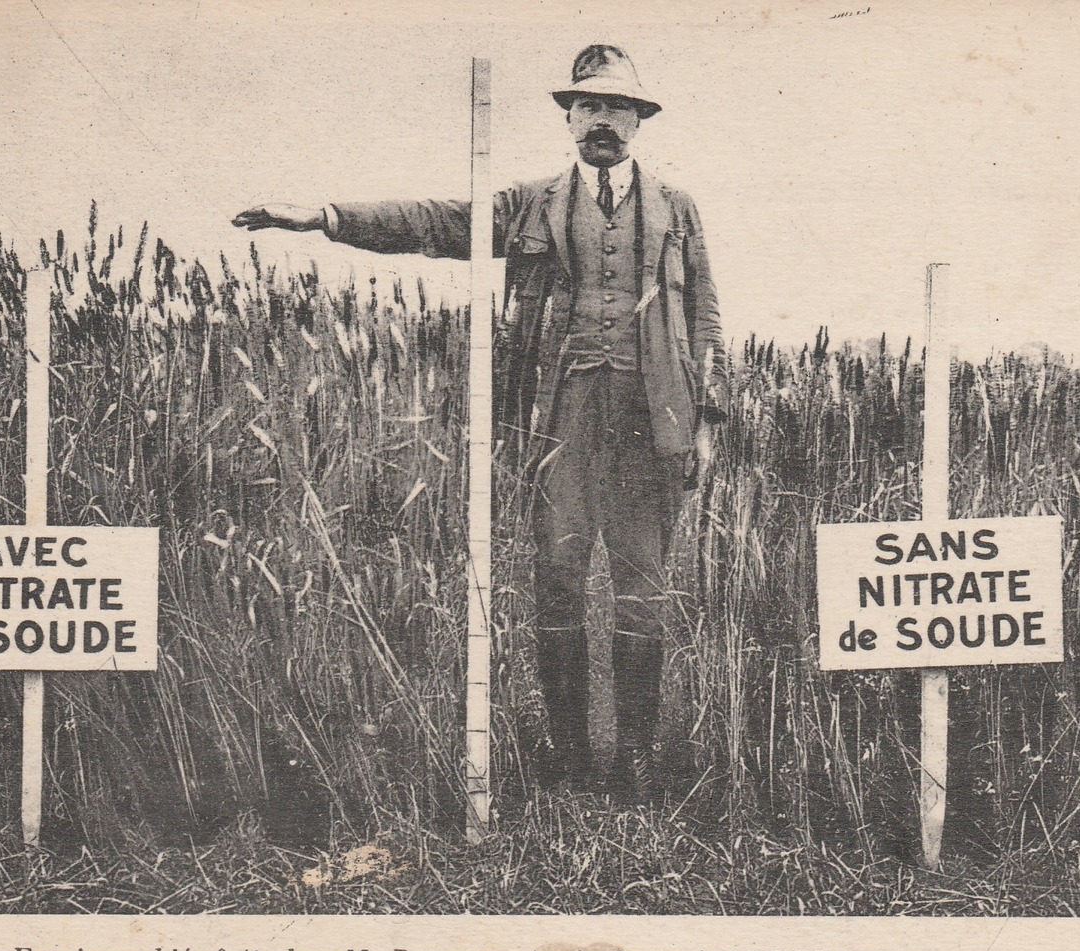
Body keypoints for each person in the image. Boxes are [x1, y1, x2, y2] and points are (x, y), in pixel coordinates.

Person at [234, 44, 729, 803]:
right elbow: (434, 221)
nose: (603, 121)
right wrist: (326, 218)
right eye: (589, 106)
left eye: (618, 108)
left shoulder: (678, 209)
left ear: (639, 121)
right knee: (557, 584)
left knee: (641, 588)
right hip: (554, 423)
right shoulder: (528, 204)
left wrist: (704, 423)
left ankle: (631, 760)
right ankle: (567, 757)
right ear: (568, 117)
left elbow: (703, 317)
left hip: (646, 427)